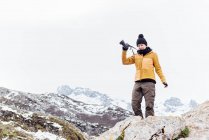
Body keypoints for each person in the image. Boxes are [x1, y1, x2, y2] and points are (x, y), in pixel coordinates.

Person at [121, 34, 168, 118]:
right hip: (138, 82)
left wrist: (163, 80)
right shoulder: (136, 56)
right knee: (134, 103)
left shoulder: (153, 54)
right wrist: (124, 50)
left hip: (149, 83)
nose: (140, 46)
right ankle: (140, 122)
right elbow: (124, 62)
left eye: (142, 45)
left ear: (146, 45)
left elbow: (158, 68)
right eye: (138, 45)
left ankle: (149, 124)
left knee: (149, 105)